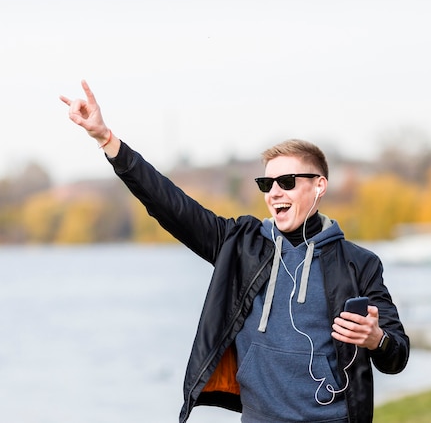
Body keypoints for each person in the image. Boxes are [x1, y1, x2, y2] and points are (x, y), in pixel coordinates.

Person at [60, 80, 409, 423]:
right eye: (266, 184)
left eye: (287, 182)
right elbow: (170, 204)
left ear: (319, 186)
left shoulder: (359, 264)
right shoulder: (240, 243)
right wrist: (107, 140)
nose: (274, 192)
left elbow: (397, 355)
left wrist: (376, 339)